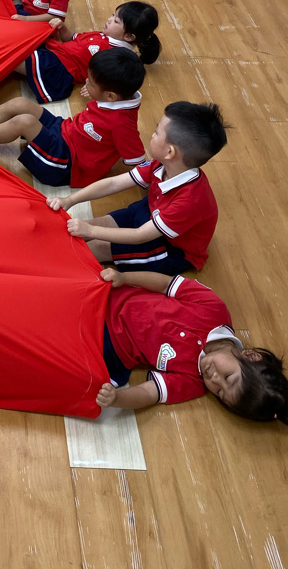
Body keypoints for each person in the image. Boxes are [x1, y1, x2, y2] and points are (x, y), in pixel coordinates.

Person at [48, 102, 227, 274]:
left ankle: (51, 264)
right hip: (150, 211)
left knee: (98, 246)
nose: (152, 135)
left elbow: (140, 235)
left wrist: (91, 232)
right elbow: (113, 183)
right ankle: (52, 245)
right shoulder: (160, 164)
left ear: (170, 152)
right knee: (91, 224)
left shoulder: (189, 201)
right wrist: (70, 200)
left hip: (171, 248)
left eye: (156, 132)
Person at [96, 267, 287, 421]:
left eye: (219, 392)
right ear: (250, 355)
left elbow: (149, 392)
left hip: (110, 347)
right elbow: (165, 284)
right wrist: (124, 277)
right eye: (228, 377)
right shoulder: (214, 309)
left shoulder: (194, 383)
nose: (214, 379)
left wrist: (117, 398)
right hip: (114, 296)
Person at [0, 48, 146, 188]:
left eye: (91, 82)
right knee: (20, 103)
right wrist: (95, 90)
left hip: (63, 162)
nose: (86, 81)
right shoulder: (116, 98)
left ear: (111, 96)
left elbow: (138, 159)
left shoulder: (122, 124)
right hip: (63, 130)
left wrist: (148, 177)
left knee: (25, 122)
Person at [21, 1, 160, 103]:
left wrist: (94, 88)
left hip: (57, 67)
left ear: (129, 37)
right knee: (24, 28)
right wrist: (62, 28)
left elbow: (116, 85)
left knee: (15, 56)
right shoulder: (103, 35)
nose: (109, 20)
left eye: (116, 21)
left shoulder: (118, 57)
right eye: (112, 15)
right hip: (55, 50)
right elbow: (72, 38)